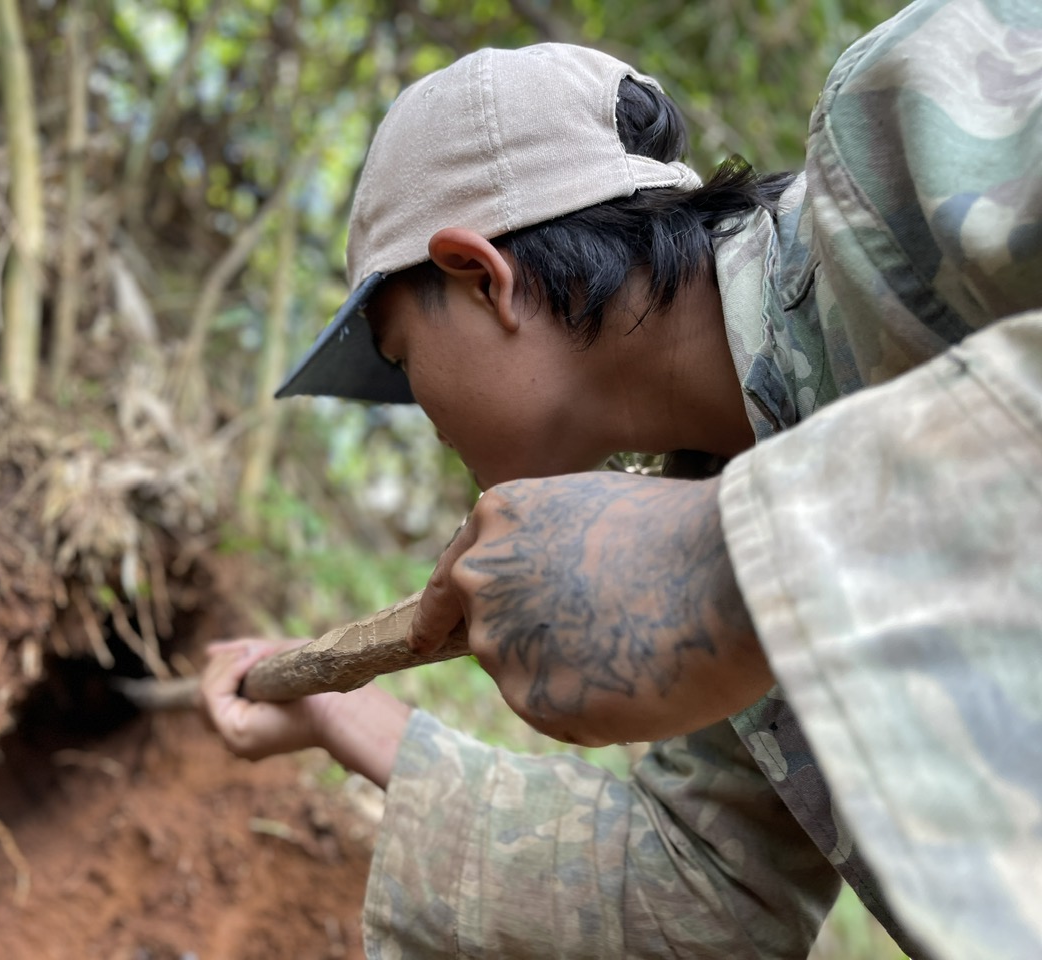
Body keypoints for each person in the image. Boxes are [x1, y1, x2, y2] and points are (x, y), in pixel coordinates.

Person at [202, 1, 1042, 957]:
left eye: (400, 357)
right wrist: (347, 716)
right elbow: (699, 891)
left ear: (480, 277)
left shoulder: (910, 119)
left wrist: (731, 559)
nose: (419, 410)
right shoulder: (714, 482)